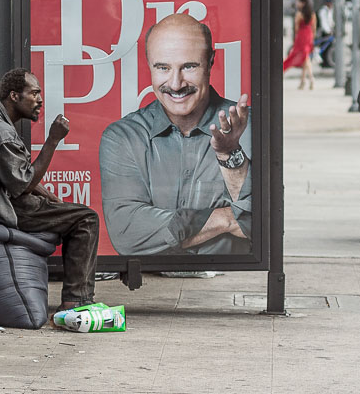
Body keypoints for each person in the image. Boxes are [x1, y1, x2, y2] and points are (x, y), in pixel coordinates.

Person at [98, 13, 252, 256]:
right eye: (163, 68)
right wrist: (227, 220)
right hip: (150, 290)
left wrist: (230, 155)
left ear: (211, 62)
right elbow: (127, 235)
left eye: (189, 66)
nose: (176, 83)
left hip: (230, 283)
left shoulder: (249, 126)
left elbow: (262, 224)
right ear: (149, 65)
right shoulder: (123, 137)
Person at [0, 68, 99, 312]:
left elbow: (16, 174)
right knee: (86, 219)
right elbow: (25, 183)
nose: (39, 100)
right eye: (34, 93)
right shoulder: (1, 133)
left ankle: (76, 295)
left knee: (72, 214)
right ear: (14, 96)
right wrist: (53, 139)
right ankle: (76, 300)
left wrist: (53, 200)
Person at [283, 0, 317, 89]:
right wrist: (312, 39)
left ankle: (311, 80)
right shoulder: (313, 14)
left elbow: (296, 28)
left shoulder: (299, 14)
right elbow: (314, 28)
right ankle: (303, 81)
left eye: (299, 2)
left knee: (304, 58)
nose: (297, 3)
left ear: (303, 3)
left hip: (301, 36)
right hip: (309, 36)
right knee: (306, 58)